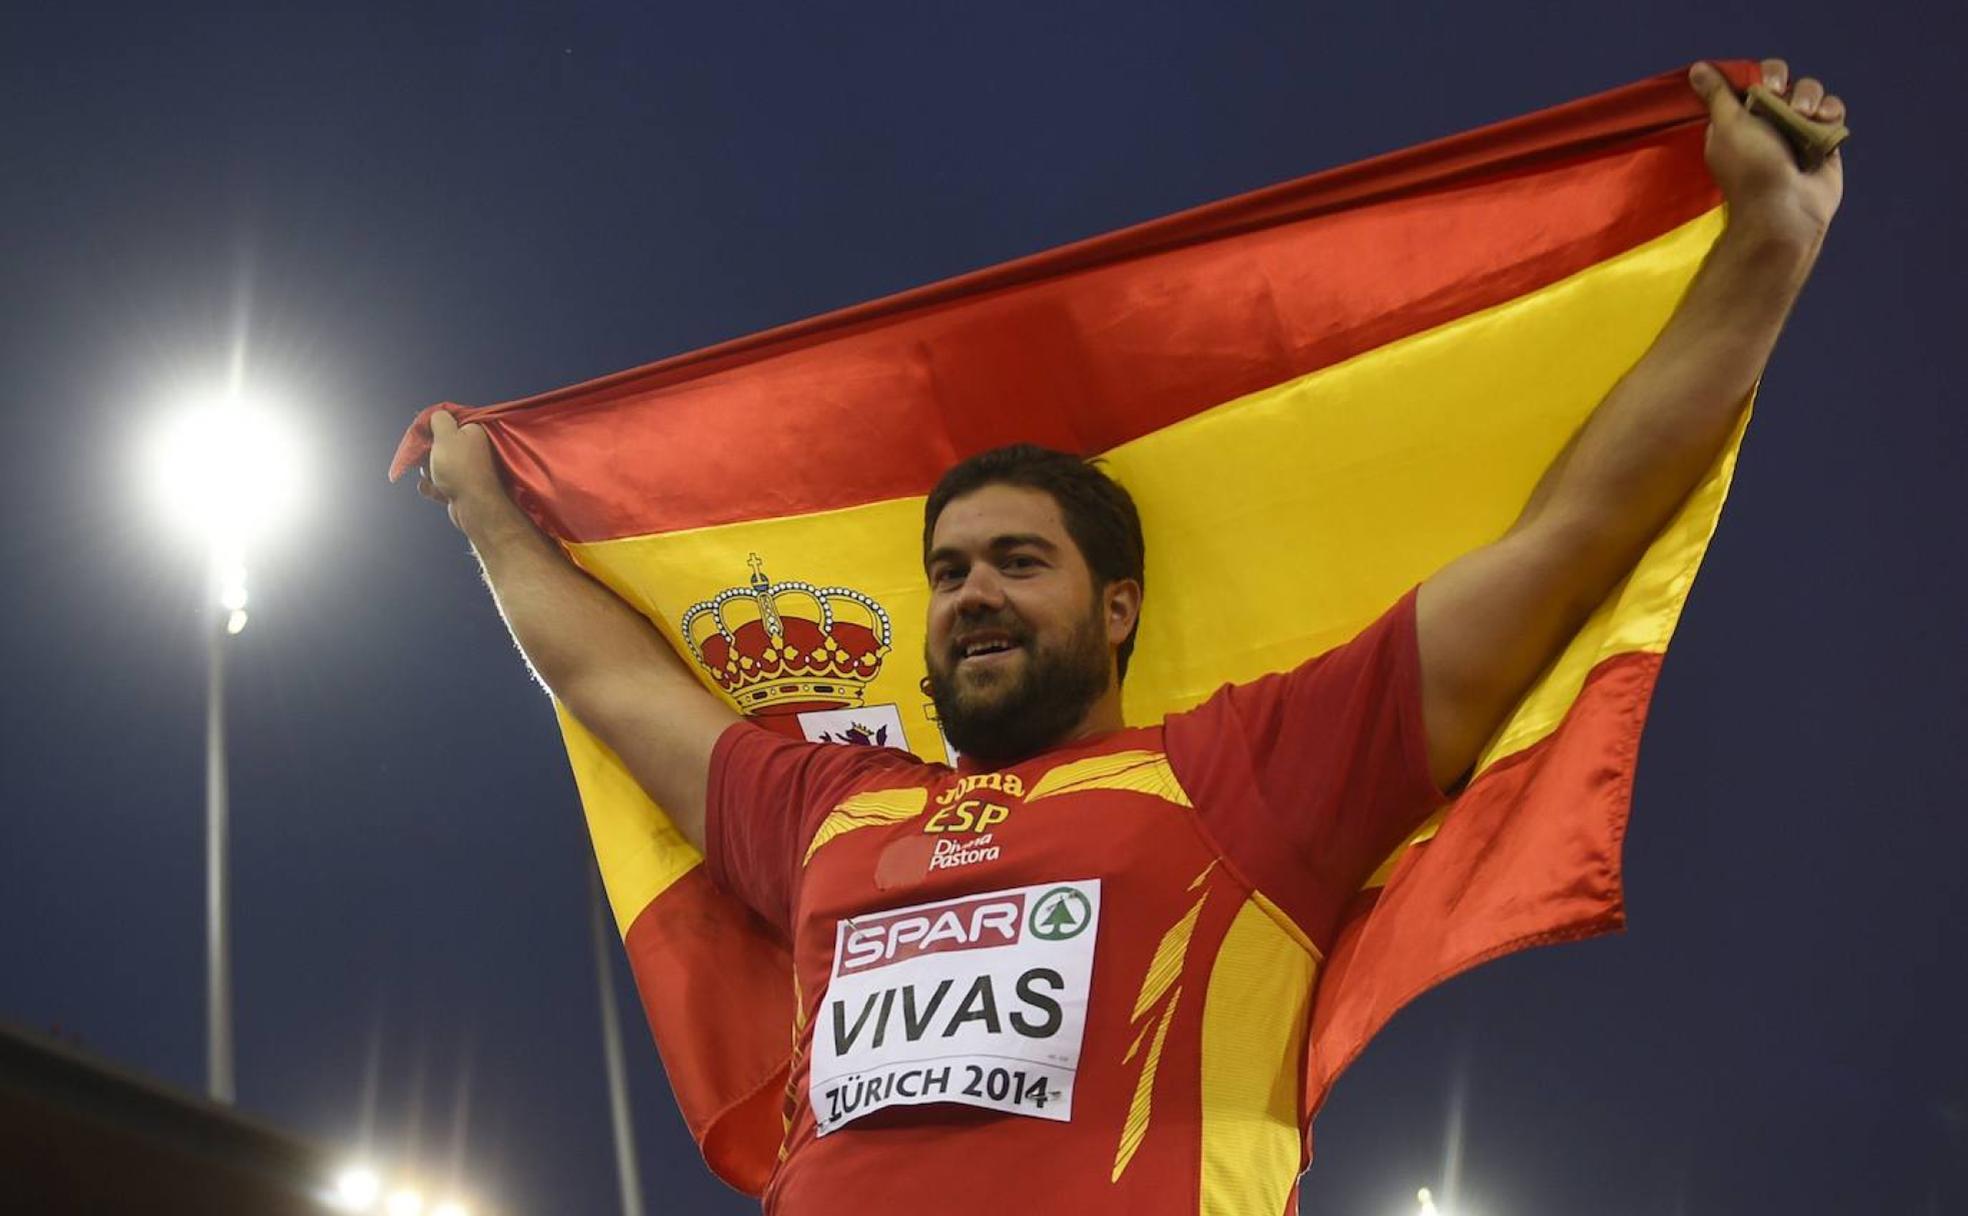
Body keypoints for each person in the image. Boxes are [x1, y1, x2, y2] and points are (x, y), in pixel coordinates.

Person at [420, 60, 1844, 1215]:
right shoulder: (827, 812)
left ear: (1116, 611)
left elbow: (1567, 538)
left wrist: (1769, 248)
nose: (973, 591)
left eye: (1019, 563)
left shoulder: (1250, 775)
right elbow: (606, 676)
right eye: (950, 569)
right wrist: (488, 514)